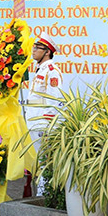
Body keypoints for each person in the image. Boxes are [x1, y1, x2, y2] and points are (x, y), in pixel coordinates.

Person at [23, 32, 63, 196]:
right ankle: (42, 195)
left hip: (43, 126)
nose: (33, 50)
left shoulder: (52, 71)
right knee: (39, 163)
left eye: (37, 48)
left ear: (47, 51)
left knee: (44, 163)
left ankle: (44, 197)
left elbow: (55, 101)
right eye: (34, 47)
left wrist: (48, 127)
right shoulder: (40, 70)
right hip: (34, 124)